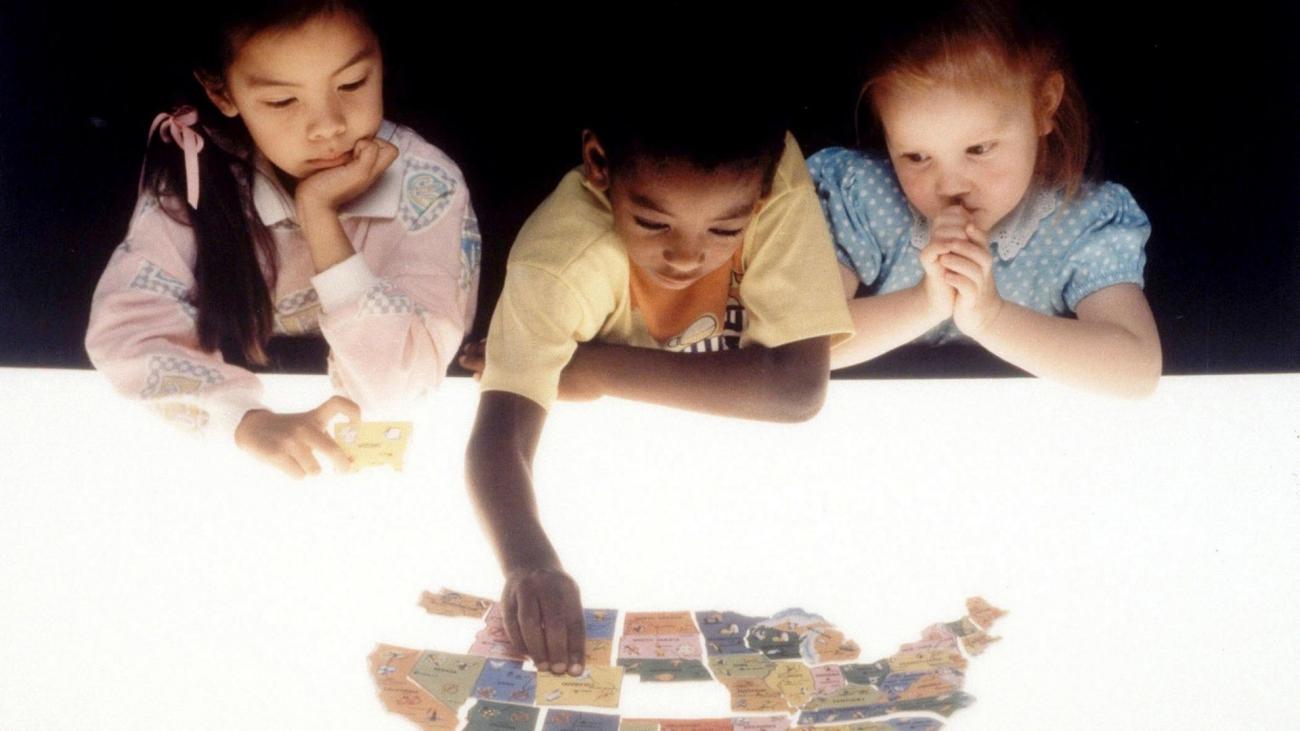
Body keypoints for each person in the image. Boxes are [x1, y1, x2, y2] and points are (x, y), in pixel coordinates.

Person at [459, 77, 853, 676]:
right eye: (652, 223)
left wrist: (595, 368)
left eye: (725, 230)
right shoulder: (557, 261)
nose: (687, 255)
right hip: (613, 471)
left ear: (766, 187)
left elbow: (799, 388)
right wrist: (527, 560)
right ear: (599, 164)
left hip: (747, 480)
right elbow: (500, 433)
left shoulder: (765, 175)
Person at [85, 1, 479, 477]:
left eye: (352, 83)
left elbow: (400, 391)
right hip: (240, 446)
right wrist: (244, 422)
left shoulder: (428, 185)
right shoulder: (196, 173)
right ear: (221, 92)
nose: (328, 126)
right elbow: (130, 331)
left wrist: (321, 218)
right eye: (282, 101)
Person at [808, 0, 1161, 396]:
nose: (950, 185)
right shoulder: (862, 198)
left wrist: (991, 318)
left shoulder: (1083, 220)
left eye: (978, 149)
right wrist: (925, 303)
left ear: (1044, 105)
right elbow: (798, 343)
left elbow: (1137, 370)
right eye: (917, 157)